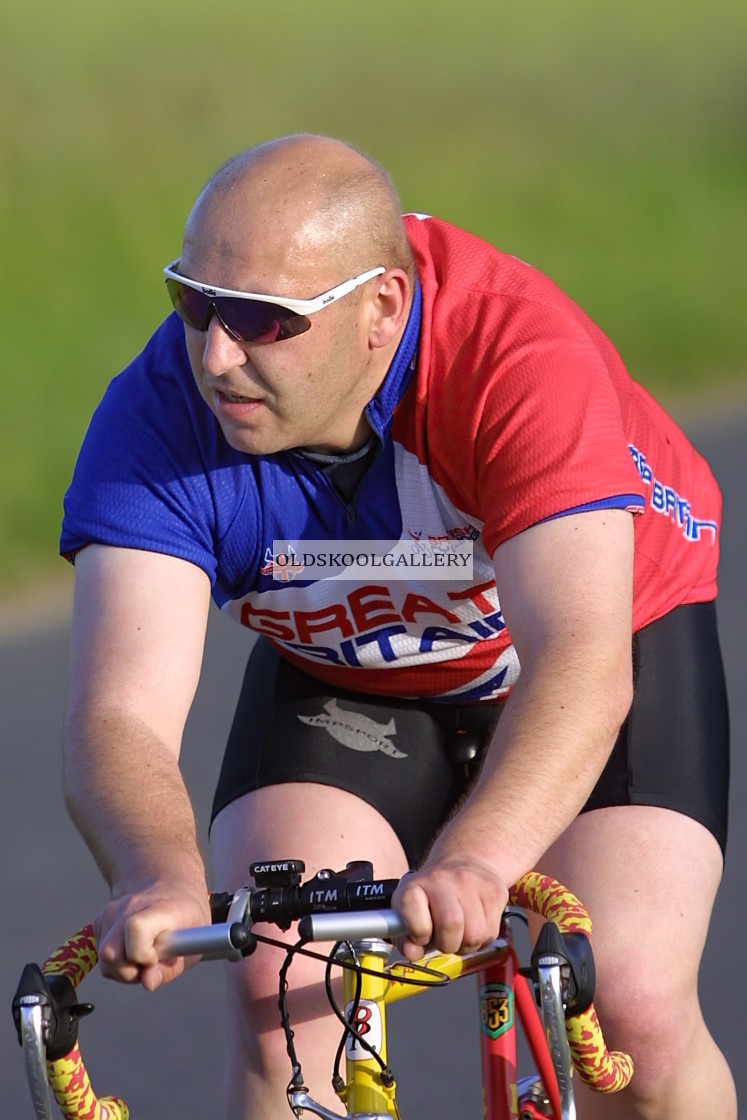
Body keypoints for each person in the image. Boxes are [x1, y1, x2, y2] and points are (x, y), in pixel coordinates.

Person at [60, 133, 734, 1118]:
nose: (214, 355)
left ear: (380, 308)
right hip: (356, 673)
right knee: (288, 991)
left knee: (627, 1000)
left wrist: (478, 860)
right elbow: (119, 712)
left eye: (262, 320)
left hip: (588, 645)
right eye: (193, 302)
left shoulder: (516, 356)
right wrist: (155, 875)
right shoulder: (158, 413)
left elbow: (582, 663)